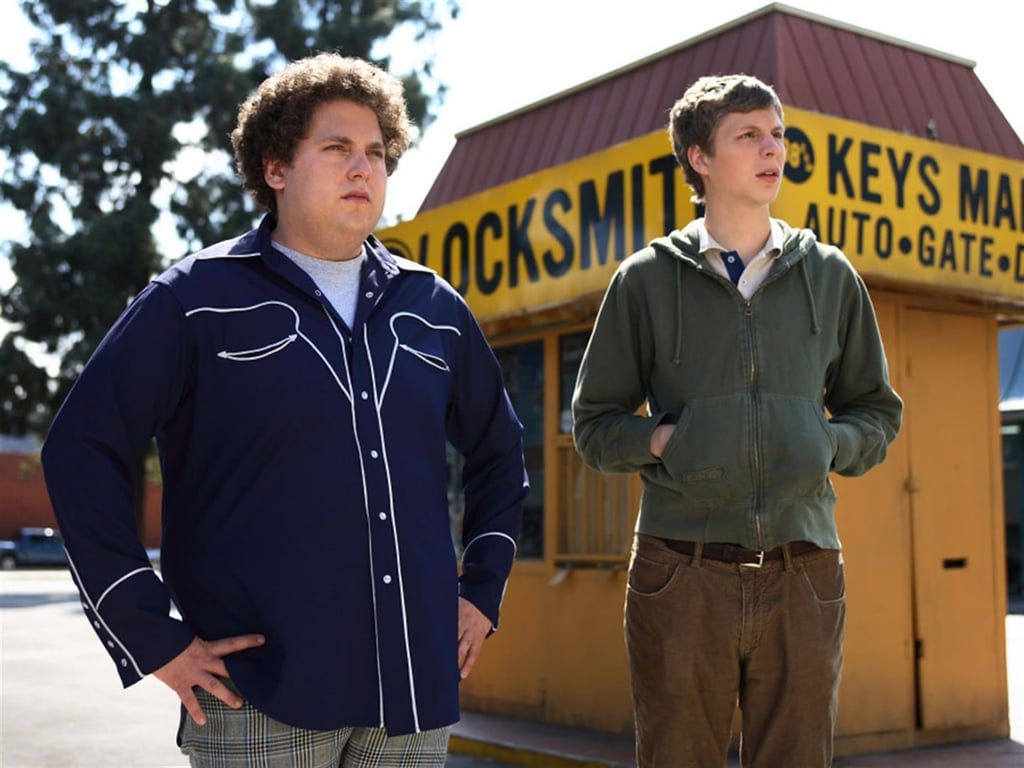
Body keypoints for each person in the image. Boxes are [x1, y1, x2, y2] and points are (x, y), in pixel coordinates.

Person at [41, 53, 528, 767]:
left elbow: (500, 454)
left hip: (412, 698)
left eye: (375, 153)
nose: (363, 168)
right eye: (336, 149)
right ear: (276, 168)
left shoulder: (434, 308)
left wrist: (482, 591)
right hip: (260, 697)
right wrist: (151, 635)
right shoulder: (193, 300)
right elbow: (78, 451)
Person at [571, 74, 903, 767]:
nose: (771, 148)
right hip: (679, 573)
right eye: (748, 134)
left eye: (778, 133)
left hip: (805, 569)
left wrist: (827, 442)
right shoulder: (644, 279)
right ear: (699, 158)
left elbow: (876, 410)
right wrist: (664, 440)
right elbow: (595, 423)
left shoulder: (831, 275)